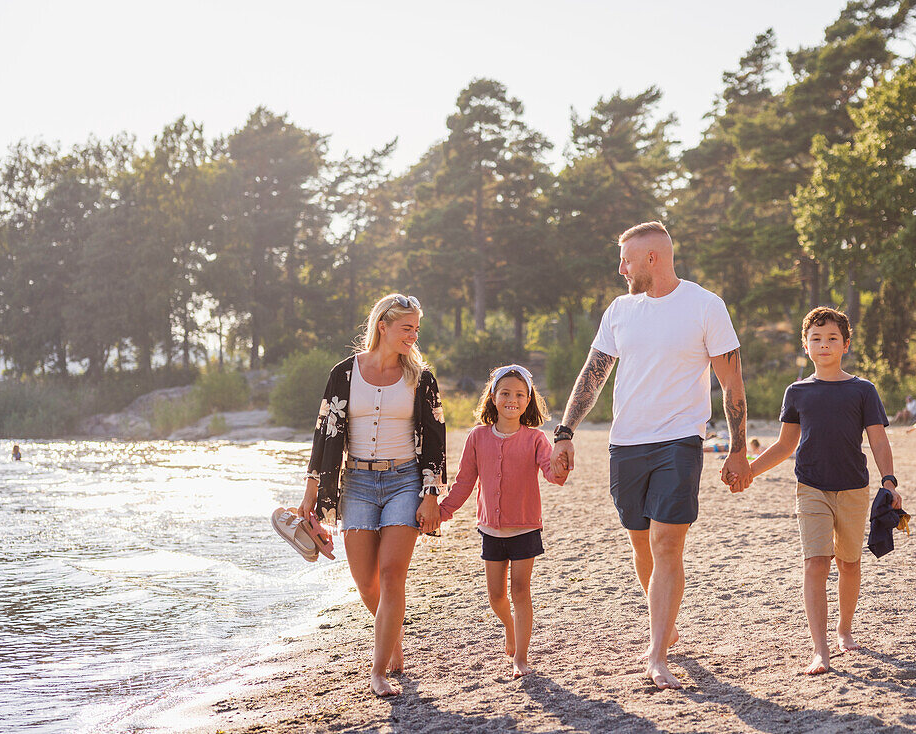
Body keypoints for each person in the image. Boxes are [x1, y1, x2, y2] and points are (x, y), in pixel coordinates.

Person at [549, 221, 750, 690]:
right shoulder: (620, 310)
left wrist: (738, 451)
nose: (621, 269)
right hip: (626, 444)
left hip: (679, 441)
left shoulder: (705, 306)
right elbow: (593, 374)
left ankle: (656, 652)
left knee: (665, 544)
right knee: (642, 542)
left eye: (626, 260)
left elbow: (732, 384)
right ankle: (666, 621)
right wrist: (565, 431)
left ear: (652, 259)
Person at [736, 307, 901, 675]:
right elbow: (783, 446)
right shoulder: (797, 392)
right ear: (805, 346)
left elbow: (878, 439)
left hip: (854, 489)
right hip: (810, 487)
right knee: (815, 563)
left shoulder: (863, 390)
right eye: (816, 339)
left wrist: (889, 480)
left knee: (850, 564)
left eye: (831, 339)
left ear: (845, 345)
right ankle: (820, 650)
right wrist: (750, 471)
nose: (823, 344)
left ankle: (844, 630)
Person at [300, 293, 447, 697]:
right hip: (357, 484)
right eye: (407, 328)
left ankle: (378, 670)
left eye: (417, 329)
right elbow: (323, 435)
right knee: (365, 582)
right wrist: (310, 494)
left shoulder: (422, 378)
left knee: (390, 574)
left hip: (405, 481)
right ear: (383, 326)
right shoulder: (343, 374)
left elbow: (435, 439)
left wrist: (430, 493)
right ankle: (392, 638)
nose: (413, 336)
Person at [437, 364, 567, 679]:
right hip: (490, 530)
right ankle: (509, 626)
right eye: (505, 393)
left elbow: (553, 476)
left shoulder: (536, 439)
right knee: (496, 596)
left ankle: (521, 658)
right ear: (493, 397)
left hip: (525, 527)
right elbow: (464, 482)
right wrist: (442, 512)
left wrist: (561, 464)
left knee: (520, 591)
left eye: (520, 394)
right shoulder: (477, 437)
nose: (513, 399)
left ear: (529, 400)